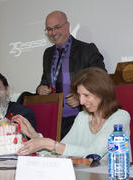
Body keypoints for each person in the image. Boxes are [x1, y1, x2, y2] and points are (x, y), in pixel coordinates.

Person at [14, 67, 131, 160]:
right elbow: (60, 152)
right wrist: (34, 135)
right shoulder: (82, 117)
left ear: (102, 93)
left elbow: (94, 153)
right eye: (79, 96)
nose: (81, 101)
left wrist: (47, 143)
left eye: (86, 95)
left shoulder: (121, 117)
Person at [37, 10, 106, 139]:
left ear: (68, 25)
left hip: (81, 117)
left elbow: (102, 80)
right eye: (49, 29)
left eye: (57, 27)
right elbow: (45, 81)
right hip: (55, 120)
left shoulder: (86, 50)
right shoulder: (48, 54)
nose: (53, 33)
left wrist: (81, 98)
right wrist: (40, 88)